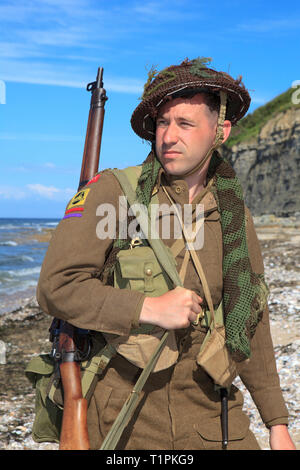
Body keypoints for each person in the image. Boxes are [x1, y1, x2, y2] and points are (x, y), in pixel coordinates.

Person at [37, 58, 296, 450]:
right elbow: (56, 287)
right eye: (163, 122)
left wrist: (277, 423)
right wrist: (147, 308)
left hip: (213, 415)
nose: (169, 136)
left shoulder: (232, 214)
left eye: (185, 123)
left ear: (219, 131)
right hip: (125, 416)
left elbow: (251, 318)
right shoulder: (114, 194)